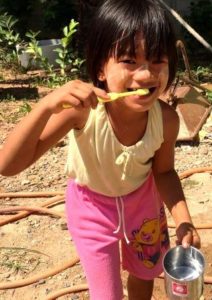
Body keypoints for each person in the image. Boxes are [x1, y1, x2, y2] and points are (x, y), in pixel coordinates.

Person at [0, 0, 201, 299]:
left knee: (144, 277)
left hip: (144, 208)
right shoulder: (82, 113)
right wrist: (44, 106)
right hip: (91, 211)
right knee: (106, 295)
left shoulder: (167, 120)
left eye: (157, 59)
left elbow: (165, 171)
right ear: (101, 69)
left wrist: (183, 218)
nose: (146, 75)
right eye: (130, 61)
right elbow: (8, 165)